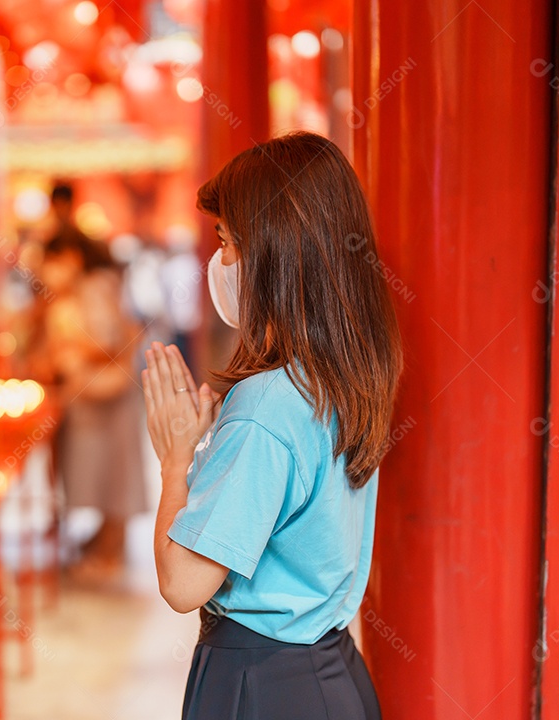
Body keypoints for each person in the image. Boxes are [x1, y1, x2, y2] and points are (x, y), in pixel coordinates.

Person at [142, 132, 403, 719]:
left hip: (262, 683)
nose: (221, 262)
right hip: (333, 670)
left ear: (275, 255)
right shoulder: (348, 374)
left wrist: (177, 460)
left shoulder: (266, 405)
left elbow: (183, 585)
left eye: (229, 242)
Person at [28, 233, 147, 579]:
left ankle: (110, 553)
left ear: (71, 257)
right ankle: (102, 544)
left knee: (115, 473)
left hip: (107, 394)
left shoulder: (94, 289)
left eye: (52, 260)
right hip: (94, 395)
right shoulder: (81, 292)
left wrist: (70, 348)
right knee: (101, 472)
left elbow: (109, 342)